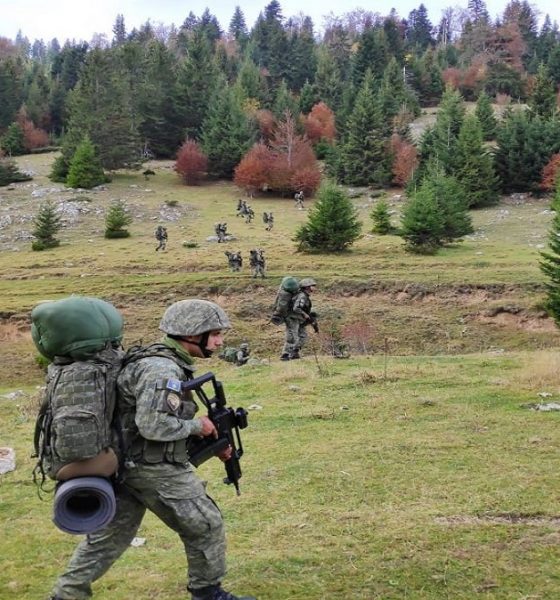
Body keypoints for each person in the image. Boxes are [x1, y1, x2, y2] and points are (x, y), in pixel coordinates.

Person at [49, 299, 256, 600]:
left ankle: (66, 595)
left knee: (109, 538)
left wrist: (210, 441)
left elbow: (147, 421)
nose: (220, 341)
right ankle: (208, 593)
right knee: (205, 524)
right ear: (191, 333)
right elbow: (154, 427)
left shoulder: (155, 360)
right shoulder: (161, 369)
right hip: (152, 469)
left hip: (124, 465)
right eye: (214, 334)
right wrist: (198, 426)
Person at [280, 277, 317, 361]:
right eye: (312, 286)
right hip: (292, 318)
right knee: (292, 337)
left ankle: (295, 352)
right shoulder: (302, 296)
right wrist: (305, 314)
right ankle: (285, 354)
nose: (314, 287)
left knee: (303, 336)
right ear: (307, 287)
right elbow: (296, 308)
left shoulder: (305, 295)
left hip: (299, 319)